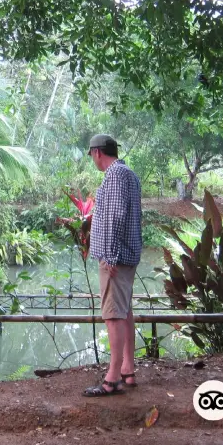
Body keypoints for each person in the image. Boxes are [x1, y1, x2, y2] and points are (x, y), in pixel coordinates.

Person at [83, 134, 142, 397]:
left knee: (113, 315)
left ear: (97, 152)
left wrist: (110, 255)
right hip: (125, 254)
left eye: (92, 155)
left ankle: (113, 377)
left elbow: (116, 216)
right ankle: (127, 370)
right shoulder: (127, 173)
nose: (93, 160)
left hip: (115, 258)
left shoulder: (115, 175)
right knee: (124, 311)